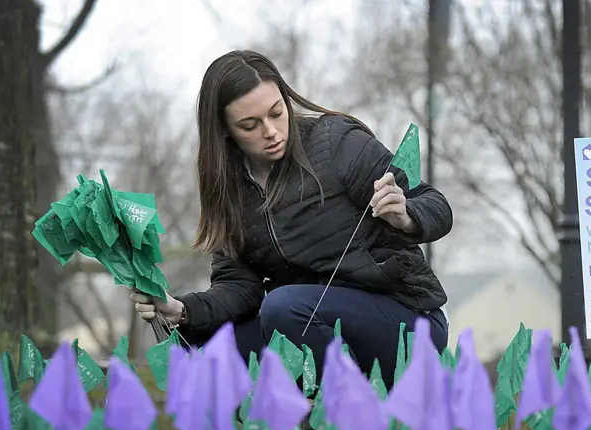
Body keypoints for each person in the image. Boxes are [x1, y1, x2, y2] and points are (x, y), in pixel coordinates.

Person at [131, 50, 451, 388]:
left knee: (284, 308)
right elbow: (239, 288)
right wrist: (181, 310)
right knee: (206, 349)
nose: (270, 131)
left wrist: (406, 216)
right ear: (225, 131)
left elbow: (436, 205)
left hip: (406, 325)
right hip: (308, 324)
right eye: (250, 125)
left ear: (286, 99)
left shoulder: (336, 144)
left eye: (276, 112)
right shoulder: (231, 191)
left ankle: (349, 415)